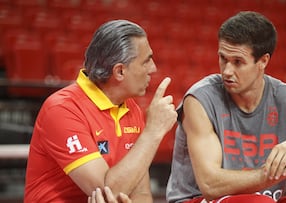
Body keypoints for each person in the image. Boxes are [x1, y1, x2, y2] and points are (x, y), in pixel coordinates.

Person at [166, 11, 286, 203]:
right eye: (223, 58)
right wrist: (285, 171)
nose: (227, 71)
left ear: (263, 61)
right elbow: (210, 185)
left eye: (238, 62)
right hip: (199, 199)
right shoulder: (200, 99)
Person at [24, 19, 177, 202]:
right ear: (119, 71)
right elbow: (106, 193)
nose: (153, 69)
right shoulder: (62, 109)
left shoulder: (131, 109)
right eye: (146, 61)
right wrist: (153, 132)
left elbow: (141, 193)